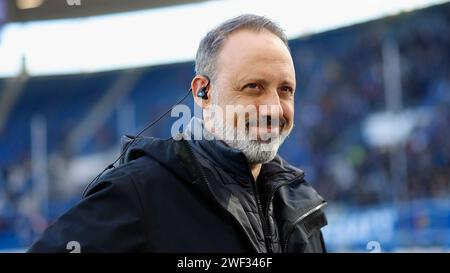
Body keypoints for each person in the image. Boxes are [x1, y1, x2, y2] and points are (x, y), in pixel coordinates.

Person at [28, 14, 327, 253]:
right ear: (202, 92)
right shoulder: (139, 191)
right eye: (253, 87)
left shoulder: (300, 204)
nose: (274, 108)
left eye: (285, 90)